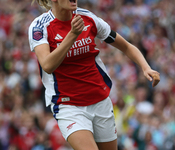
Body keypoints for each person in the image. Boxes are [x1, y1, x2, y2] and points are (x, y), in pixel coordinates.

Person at [28, 0, 160, 150]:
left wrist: (145, 67)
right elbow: (47, 65)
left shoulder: (88, 18)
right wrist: (72, 35)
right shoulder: (40, 26)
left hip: (100, 101)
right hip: (69, 106)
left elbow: (126, 46)